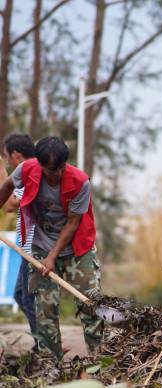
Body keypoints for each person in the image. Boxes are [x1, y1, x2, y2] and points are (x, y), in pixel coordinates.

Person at [0, 135, 102, 360]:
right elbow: (7, 186)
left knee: (90, 306)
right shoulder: (27, 170)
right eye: (48, 171)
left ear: (65, 164)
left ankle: (99, 361)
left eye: (58, 170)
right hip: (41, 244)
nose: (54, 176)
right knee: (44, 311)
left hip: (78, 248)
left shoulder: (80, 182)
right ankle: (50, 364)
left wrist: (52, 257)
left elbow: (73, 223)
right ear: (39, 164)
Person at [3, 134, 37, 347]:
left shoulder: (29, 172)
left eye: (6, 157)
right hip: (27, 247)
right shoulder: (28, 173)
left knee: (28, 298)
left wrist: (1, 173)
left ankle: (45, 344)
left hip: (35, 248)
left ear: (16, 155)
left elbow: (8, 204)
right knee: (20, 295)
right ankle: (44, 340)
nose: (6, 161)